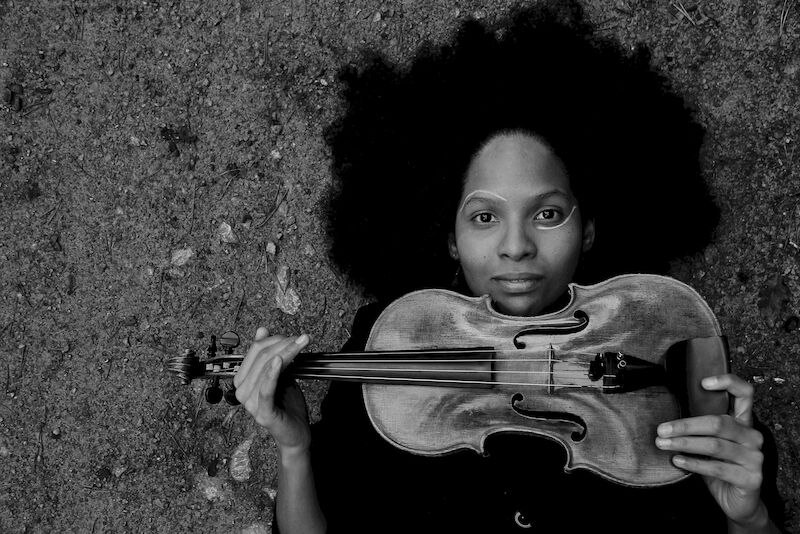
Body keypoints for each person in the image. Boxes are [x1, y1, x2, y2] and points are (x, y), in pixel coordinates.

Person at [234, 3, 786, 533]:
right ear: (450, 238)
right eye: (484, 217)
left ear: (588, 227)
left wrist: (748, 518)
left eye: (547, 213)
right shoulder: (392, 341)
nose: (516, 246)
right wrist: (295, 449)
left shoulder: (668, 334)